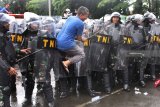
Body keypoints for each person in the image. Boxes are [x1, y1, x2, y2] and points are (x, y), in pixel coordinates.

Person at [57, 6, 89, 72]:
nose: (86, 18)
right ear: (81, 14)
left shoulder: (70, 18)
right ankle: (66, 63)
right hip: (66, 44)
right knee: (81, 54)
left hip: (58, 41)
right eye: (86, 16)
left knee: (75, 46)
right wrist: (85, 40)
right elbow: (79, 38)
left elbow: (70, 32)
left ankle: (67, 61)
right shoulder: (80, 23)